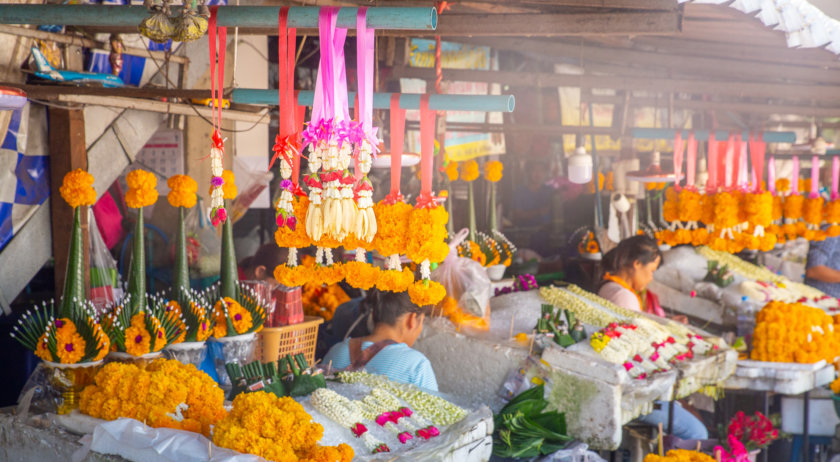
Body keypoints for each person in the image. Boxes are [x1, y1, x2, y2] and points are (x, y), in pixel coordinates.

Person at [598, 235, 708, 441]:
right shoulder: (623, 297)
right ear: (636, 264)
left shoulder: (611, 287)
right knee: (697, 432)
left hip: (626, 386)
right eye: (650, 272)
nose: (650, 279)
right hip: (630, 393)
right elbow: (639, 348)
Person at [323, 289, 438, 391]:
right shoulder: (417, 365)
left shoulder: (336, 351)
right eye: (422, 321)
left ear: (373, 314)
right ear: (412, 320)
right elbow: (434, 413)